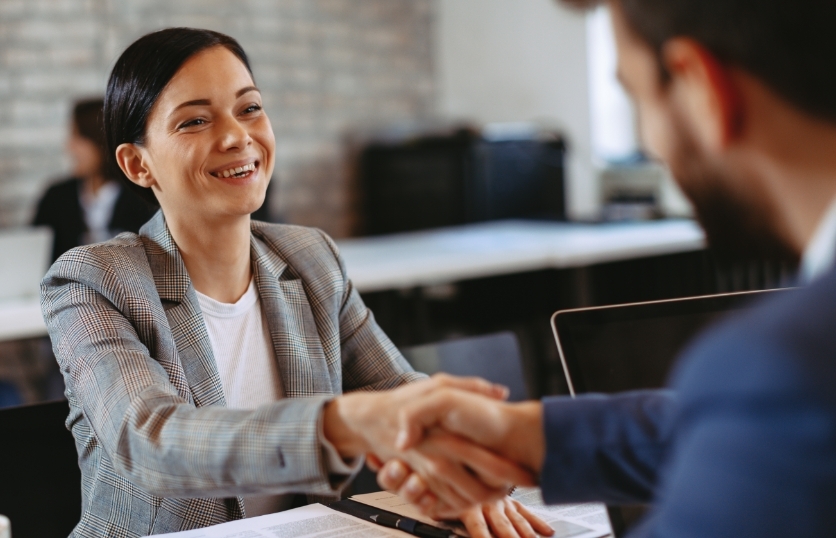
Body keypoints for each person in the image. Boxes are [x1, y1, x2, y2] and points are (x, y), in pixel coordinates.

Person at [40, 28, 550, 538]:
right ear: (138, 163)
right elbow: (151, 442)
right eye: (195, 120)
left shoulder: (309, 258)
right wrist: (345, 424)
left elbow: (398, 391)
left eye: (249, 108)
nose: (237, 135)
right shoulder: (91, 282)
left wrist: (470, 466)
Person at [376, 0, 836, 536]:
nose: (650, 144)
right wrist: (530, 434)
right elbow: (773, 433)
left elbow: (782, 413)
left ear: (700, 87)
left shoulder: (784, 365)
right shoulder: (787, 387)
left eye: (635, 95)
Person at [33, 98, 156, 262]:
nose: (70, 147)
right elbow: (33, 255)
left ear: (100, 141)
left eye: (78, 137)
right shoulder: (56, 197)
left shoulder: (143, 199)